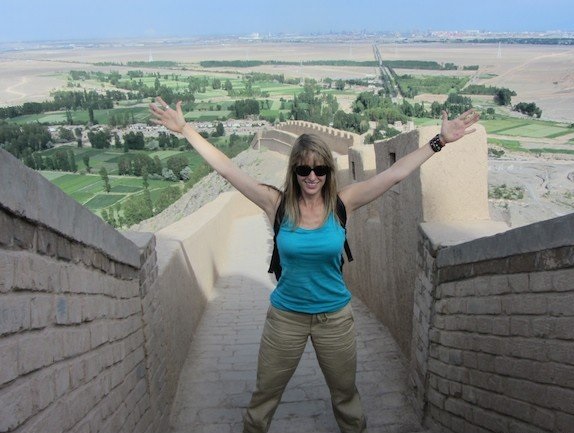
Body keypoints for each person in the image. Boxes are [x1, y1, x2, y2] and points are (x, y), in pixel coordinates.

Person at [149, 97, 479, 433]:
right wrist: (185, 130)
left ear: (328, 172)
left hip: (334, 318)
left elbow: (395, 174)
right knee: (265, 396)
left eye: (320, 169)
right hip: (286, 317)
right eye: (303, 169)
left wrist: (439, 141)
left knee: (345, 396)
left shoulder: (342, 204)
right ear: (293, 171)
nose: (312, 176)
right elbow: (227, 169)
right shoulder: (276, 204)